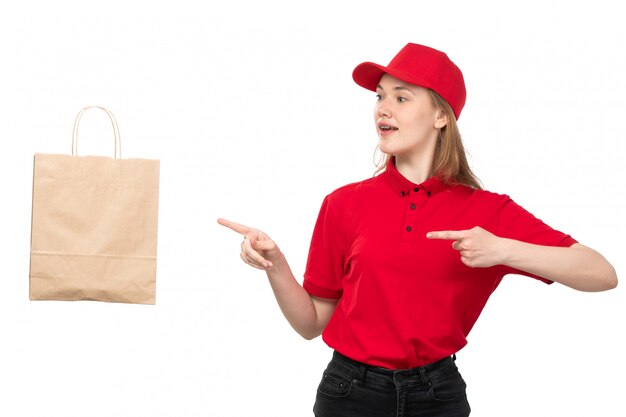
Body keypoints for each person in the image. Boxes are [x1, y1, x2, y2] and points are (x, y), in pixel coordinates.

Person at [217, 43, 618, 417]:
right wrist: (276, 265)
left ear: (441, 115)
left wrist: (504, 251)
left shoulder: (487, 211)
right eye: (380, 96)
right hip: (348, 392)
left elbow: (602, 273)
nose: (382, 109)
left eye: (401, 97)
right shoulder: (343, 204)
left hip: (437, 395)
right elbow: (311, 324)